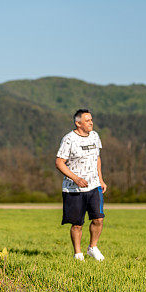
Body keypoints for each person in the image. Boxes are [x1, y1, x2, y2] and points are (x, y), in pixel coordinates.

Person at [55, 109, 108, 261]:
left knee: (98, 218)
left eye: (91, 119)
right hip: (73, 189)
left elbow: (97, 158)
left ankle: (93, 247)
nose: (91, 122)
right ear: (78, 123)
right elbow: (59, 162)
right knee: (77, 224)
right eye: (87, 120)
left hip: (94, 185)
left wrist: (101, 179)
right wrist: (76, 178)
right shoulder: (69, 139)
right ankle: (78, 254)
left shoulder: (95, 136)